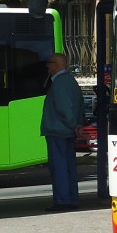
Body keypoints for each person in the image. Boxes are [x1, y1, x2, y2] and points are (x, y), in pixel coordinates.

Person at [41, 52, 85, 211]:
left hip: (57, 130)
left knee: (58, 167)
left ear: (57, 65)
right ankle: (72, 199)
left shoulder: (59, 83)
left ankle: (62, 201)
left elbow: (64, 108)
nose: (47, 65)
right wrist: (78, 125)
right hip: (67, 131)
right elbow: (79, 104)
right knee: (69, 167)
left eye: (49, 62)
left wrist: (73, 124)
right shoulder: (71, 81)